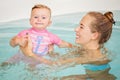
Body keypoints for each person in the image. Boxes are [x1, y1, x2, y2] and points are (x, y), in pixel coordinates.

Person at [20, 11, 116, 80]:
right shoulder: (91, 49)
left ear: (94, 35)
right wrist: (52, 53)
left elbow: (54, 64)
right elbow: (63, 58)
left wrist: (30, 54)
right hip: (93, 77)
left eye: (81, 27)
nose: (76, 29)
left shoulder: (92, 56)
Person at [1, 4, 72, 66]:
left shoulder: (51, 37)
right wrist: (17, 41)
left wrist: (71, 46)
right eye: (35, 17)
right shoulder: (24, 33)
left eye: (43, 18)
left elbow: (62, 43)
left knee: (35, 71)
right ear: (30, 21)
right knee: (6, 64)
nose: (39, 20)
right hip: (21, 55)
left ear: (49, 23)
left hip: (39, 59)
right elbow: (12, 44)